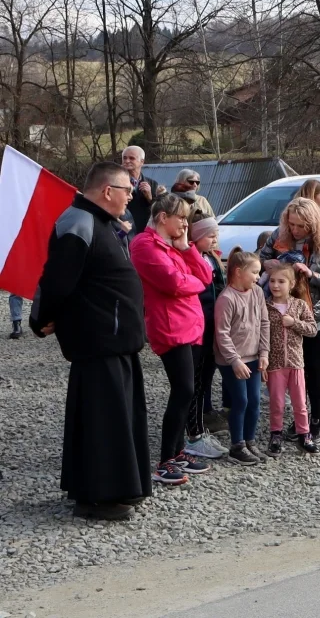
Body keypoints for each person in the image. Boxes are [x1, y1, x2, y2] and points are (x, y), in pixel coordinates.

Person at [29, 161, 151, 520]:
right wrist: (40, 319)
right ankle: (97, 498)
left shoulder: (103, 222)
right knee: (103, 422)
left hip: (115, 342)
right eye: (127, 190)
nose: (132, 196)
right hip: (98, 342)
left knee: (120, 419)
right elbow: (56, 281)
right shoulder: (78, 222)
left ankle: (123, 486)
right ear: (107, 191)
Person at [129, 194, 216, 484]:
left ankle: (178, 452)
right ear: (163, 217)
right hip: (170, 328)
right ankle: (166, 460)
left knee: (188, 392)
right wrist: (192, 283)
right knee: (182, 391)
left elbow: (206, 274)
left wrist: (186, 249)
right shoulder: (144, 245)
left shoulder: (175, 246)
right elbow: (175, 283)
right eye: (181, 217)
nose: (185, 223)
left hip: (190, 325)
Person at [258, 197, 320, 443]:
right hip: (280, 314)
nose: (295, 230)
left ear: (313, 225)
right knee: (285, 370)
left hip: (313, 315)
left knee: (312, 368)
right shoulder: (278, 236)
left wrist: (312, 274)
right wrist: (269, 263)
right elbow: (258, 259)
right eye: (291, 224)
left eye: (300, 226)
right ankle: (291, 421)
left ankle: (313, 420)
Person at [212, 248, 270, 465]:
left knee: (255, 401)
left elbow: (264, 322)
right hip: (232, 360)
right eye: (255, 272)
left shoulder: (256, 292)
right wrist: (235, 360)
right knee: (241, 401)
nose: (258, 277)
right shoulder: (227, 299)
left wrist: (264, 353)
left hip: (254, 356)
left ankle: (249, 441)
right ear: (238, 272)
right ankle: (237, 445)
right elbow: (222, 334)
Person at [264, 264, 319, 454]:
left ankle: (304, 435)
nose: (276, 285)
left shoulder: (299, 305)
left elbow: (313, 330)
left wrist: (294, 323)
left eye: (281, 281)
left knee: (300, 402)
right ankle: (276, 434)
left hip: (296, 362)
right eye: (272, 281)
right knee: (277, 402)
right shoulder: (265, 306)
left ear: (292, 284)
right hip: (274, 363)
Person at [189, 215, 229, 436]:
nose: (215, 239)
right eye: (210, 235)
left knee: (209, 368)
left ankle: (207, 408)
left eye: (216, 235)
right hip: (201, 322)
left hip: (215, 320)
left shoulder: (212, 257)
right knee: (198, 371)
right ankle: (198, 415)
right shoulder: (194, 258)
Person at [121, 145, 166, 233]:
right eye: (124, 158)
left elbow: (161, 211)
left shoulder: (152, 184)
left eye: (132, 158)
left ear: (142, 162)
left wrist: (150, 198)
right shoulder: (116, 183)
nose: (127, 161)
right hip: (125, 230)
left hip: (146, 232)